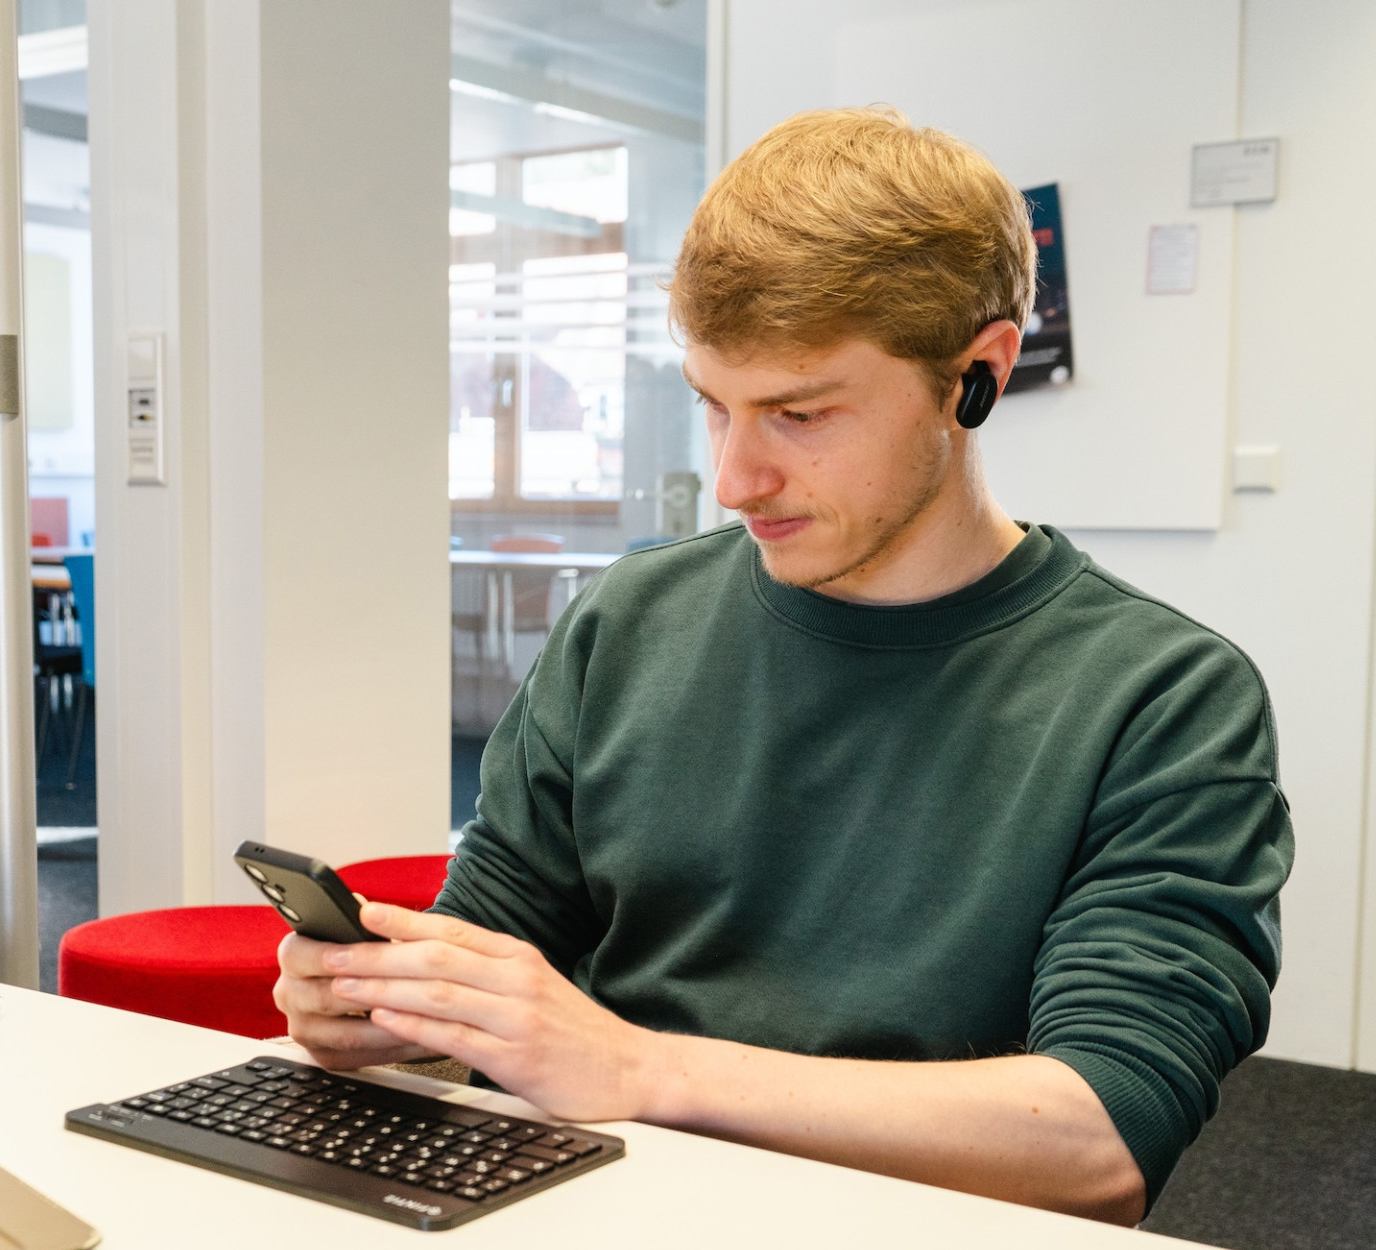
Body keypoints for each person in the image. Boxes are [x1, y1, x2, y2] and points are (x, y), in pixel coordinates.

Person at [274, 106, 1291, 1226]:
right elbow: (497, 934)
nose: (733, 476)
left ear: (977, 375)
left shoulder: (1165, 699)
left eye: (798, 412)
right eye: (713, 404)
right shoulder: (629, 619)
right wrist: (391, 1006)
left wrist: (644, 1068)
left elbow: (1102, 1130)